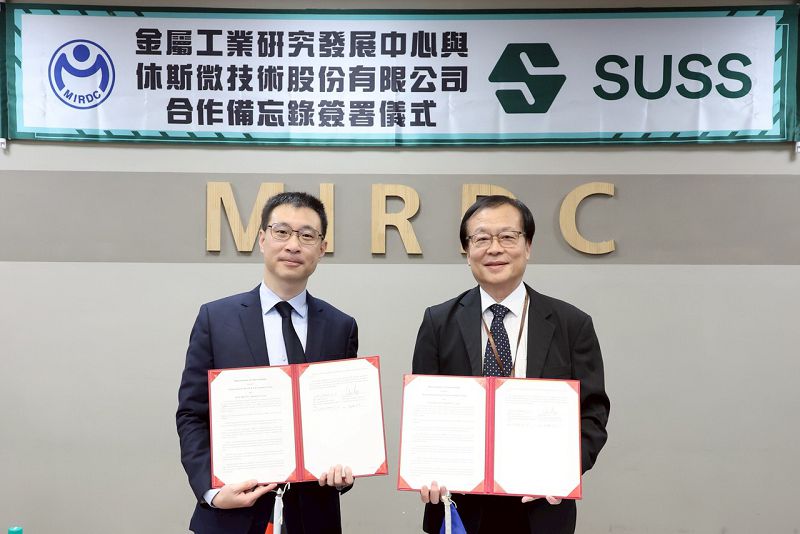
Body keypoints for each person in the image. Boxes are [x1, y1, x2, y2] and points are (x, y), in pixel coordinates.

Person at [412, 195, 610, 534]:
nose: (494, 249)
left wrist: (563, 471)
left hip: (540, 509)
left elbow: (592, 413)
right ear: (467, 251)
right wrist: (427, 469)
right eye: (481, 239)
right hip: (460, 506)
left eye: (507, 237)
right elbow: (424, 413)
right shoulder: (438, 322)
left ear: (528, 246)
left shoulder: (571, 324)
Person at [177, 192, 358, 534]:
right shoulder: (216, 319)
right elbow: (192, 414)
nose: (293, 245)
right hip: (233, 514)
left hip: (313, 516)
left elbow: (343, 419)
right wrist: (212, 492)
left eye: (307, 236)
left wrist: (345, 470)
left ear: (322, 248)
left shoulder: (340, 326)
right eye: (282, 232)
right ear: (262, 239)